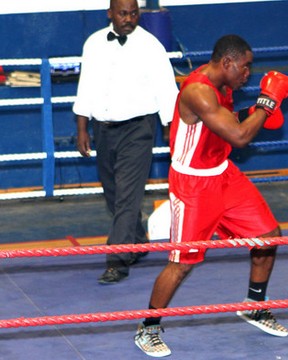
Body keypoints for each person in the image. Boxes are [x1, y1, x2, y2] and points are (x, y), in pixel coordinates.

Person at [133, 34, 288, 357]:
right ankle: (147, 328)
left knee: (268, 236)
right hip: (193, 185)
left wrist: (252, 109)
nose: (249, 73)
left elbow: (225, 124)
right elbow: (239, 136)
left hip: (223, 175)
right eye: (245, 67)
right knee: (181, 263)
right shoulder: (198, 91)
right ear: (227, 63)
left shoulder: (225, 87)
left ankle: (254, 305)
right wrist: (266, 102)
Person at [73, 0, 179, 284]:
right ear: (110, 14)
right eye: (123, 13)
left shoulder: (151, 46)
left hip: (139, 129)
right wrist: (82, 127)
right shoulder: (94, 44)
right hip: (103, 129)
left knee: (128, 195)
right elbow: (86, 86)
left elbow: (166, 89)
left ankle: (117, 261)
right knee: (113, 192)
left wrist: (170, 130)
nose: (129, 18)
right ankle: (136, 239)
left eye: (134, 13)